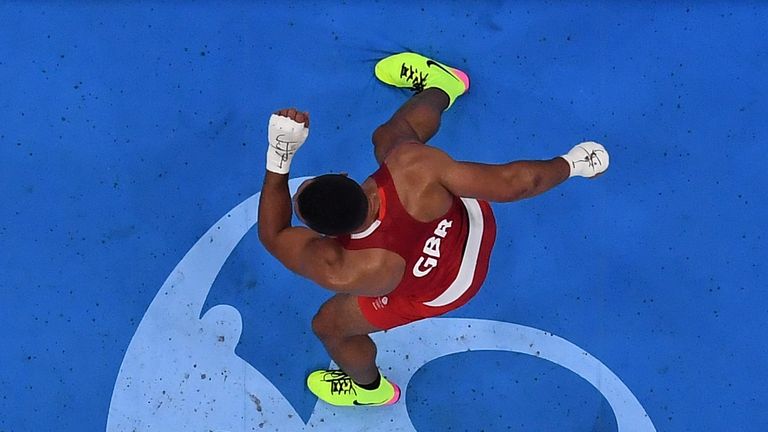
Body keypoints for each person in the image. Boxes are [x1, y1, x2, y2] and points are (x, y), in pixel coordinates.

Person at [258, 52, 609, 407]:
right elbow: (518, 182)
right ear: (345, 176)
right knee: (391, 136)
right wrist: (574, 163)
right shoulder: (411, 167)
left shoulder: (346, 267)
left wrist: (280, 154)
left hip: (451, 288)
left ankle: (370, 391)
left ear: (327, 236)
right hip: (474, 225)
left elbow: (274, 234)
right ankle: (445, 85)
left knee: (329, 325)